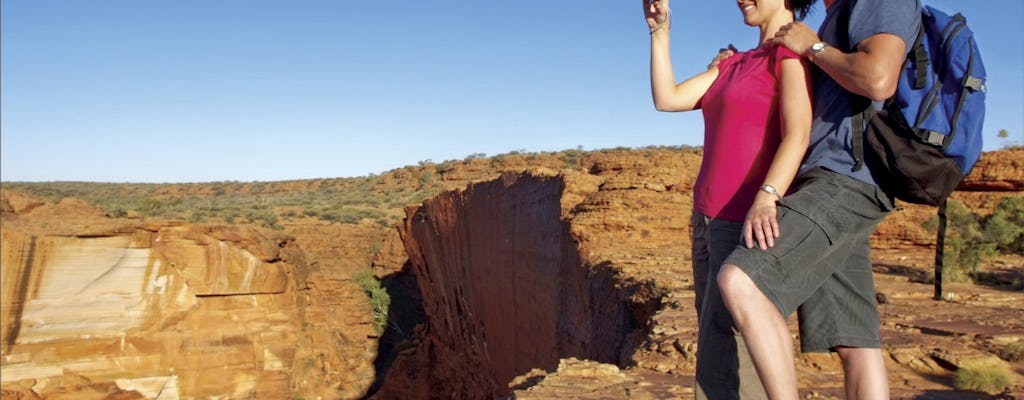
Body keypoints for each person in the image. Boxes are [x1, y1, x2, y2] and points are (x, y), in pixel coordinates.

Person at [716, 0, 921, 398]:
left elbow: (878, 79)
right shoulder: (838, 14)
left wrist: (812, 47)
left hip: (846, 179)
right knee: (854, 339)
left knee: (742, 281)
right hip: (835, 179)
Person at [642, 0, 814, 398]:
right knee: (715, 339)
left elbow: (798, 133)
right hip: (705, 218)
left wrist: (767, 197)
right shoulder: (734, 62)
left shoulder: (791, 51)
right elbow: (667, 98)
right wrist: (660, 32)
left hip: (743, 220)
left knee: (730, 346)